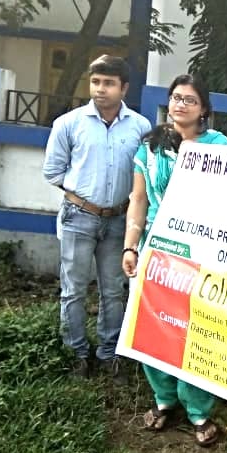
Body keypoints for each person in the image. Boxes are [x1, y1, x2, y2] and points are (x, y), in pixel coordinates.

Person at [121, 74, 227, 446]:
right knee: (154, 323)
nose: (181, 104)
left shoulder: (219, 146)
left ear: (204, 109)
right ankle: (164, 398)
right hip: (156, 246)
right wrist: (130, 247)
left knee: (195, 326)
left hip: (200, 248)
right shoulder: (150, 146)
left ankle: (198, 409)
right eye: (176, 98)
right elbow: (139, 199)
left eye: (190, 100)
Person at [43, 55, 152, 380]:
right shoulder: (69, 123)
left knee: (113, 290)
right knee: (73, 289)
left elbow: (144, 174)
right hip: (79, 216)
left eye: (108, 83)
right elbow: (53, 171)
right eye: (95, 82)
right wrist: (82, 196)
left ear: (124, 88)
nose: (100, 89)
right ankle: (76, 353)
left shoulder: (140, 127)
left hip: (119, 219)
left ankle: (109, 354)